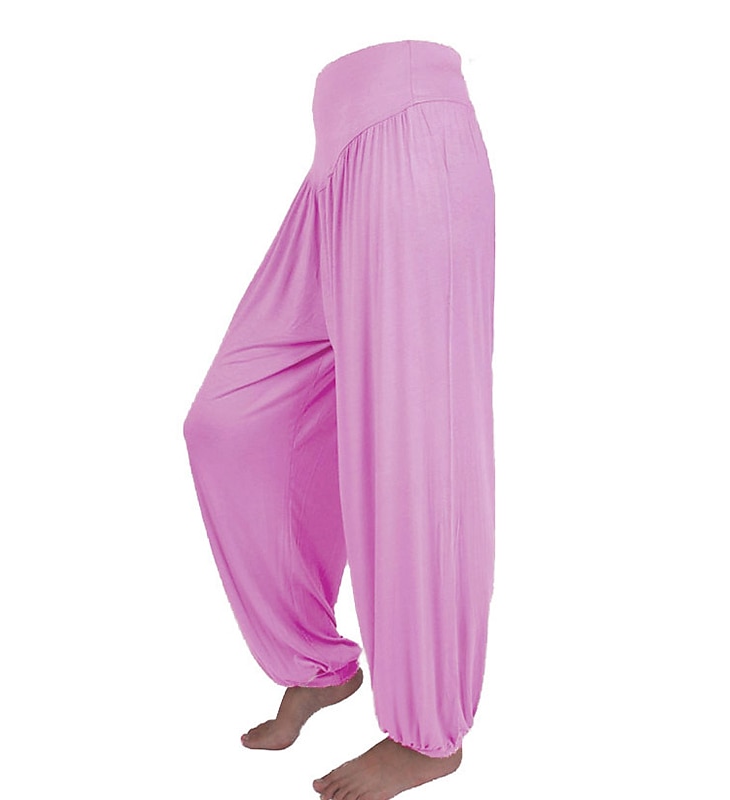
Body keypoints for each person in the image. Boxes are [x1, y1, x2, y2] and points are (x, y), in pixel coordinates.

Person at [183, 39, 495, 800]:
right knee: (230, 421)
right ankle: (316, 662)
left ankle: (428, 733)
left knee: (416, 446)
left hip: (412, 141)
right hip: (339, 156)